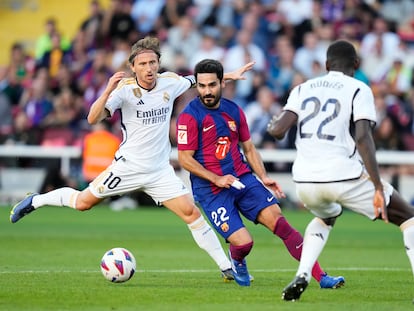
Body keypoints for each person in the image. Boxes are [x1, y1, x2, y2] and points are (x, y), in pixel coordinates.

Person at [10, 36, 254, 283]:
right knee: (83, 203)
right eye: (143, 64)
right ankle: (36, 201)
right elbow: (93, 119)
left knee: (191, 213)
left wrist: (229, 75)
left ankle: (226, 268)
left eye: (153, 62)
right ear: (133, 67)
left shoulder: (170, 82)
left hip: (159, 171)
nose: (149, 68)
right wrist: (107, 90)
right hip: (128, 167)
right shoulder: (124, 90)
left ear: (158, 63)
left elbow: (196, 80)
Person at [175, 58, 345, 288]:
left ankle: (321, 277)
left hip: (242, 179)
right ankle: (237, 259)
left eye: (212, 85)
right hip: (211, 189)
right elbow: (185, 158)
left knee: (281, 224)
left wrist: (263, 177)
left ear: (222, 83)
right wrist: (217, 178)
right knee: (244, 244)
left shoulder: (233, 110)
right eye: (202, 86)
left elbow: (249, 148)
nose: (207, 91)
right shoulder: (189, 116)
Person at [267, 40, 414, 301]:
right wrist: (378, 187)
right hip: (342, 175)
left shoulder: (302, 88)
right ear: (356, 65)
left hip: (304, 181)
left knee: (327, 216)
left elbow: (278, 131)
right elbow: (363, 137)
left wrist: (271, 126)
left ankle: (303, 274)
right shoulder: (359, 88)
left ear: (326, 65)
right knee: (409, 218)